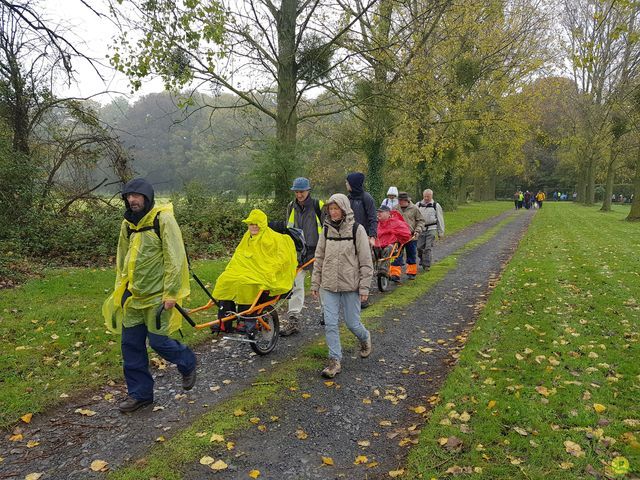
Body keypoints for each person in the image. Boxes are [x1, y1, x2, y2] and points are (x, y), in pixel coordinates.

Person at [102, 178, 196, 413]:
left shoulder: (162, 219)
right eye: (128, 196)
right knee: (130, 346)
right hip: (134, 298)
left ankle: (187, 361)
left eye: (137, 196)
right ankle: (140, 394)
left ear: (147, 197)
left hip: (158, 297)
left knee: (158, 342)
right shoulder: (127, 224)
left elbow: (174, 257)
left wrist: (171, 292)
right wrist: (121, 291)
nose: (132, 200)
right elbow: (122, 260)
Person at [311, 193, 373, 379]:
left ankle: (365, 338)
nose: (333, 212)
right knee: (330, 323)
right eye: (331, 208)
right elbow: (319, 257)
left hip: (350, 285)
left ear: (344, 209)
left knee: (352, 323)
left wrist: (364, 288)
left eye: (336, 208)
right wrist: (315, 283)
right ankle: (334, 360)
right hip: (328, 285)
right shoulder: (326, 230)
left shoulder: (357, 230)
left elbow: (365, 260)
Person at [212, 209, 297, 332]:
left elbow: (280, 259)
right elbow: (239, 255)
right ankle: (225, 321)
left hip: (263, 273)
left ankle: (246, 321)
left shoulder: (273, 238)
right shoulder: (247, 237)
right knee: (224, 280)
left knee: (245, 284)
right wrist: (232, 269)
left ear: (263, 224)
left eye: (257, 224)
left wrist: (269, 271)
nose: (254, 227)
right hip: (246, 270)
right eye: (251, 224)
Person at [281, 177, 324, 336]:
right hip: (298, 253)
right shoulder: (291, 207)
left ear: (308, 191)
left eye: (302, 191)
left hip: (317, 252)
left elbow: (327, 229)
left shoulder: (318, 205)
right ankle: (294, 320)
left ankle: (327, 315)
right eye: (297, 192)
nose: (299, 194)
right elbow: (288, 229)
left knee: (320, 285)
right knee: (296, 286)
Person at [392, 192, 425, 280]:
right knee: (396, 255)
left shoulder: (414, 208)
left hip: (411, 236)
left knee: (411, 254)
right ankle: (395, 274)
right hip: (398, 236)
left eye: (402, 200)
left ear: (407, 200)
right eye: (399, 200)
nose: (400, 202)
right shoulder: (395, 208)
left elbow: (421, 221)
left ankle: (411, 272)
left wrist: (417, 230)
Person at [375, 205, 412, 282]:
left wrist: (395, 232)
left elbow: (407, 234)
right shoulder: (375, 223)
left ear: (388, 213)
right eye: (378, 212)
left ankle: (383, 270)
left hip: (391, 246)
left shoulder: (395, 222)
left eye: (381, 212)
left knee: (389, 248)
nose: (378, 214)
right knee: (369, 249)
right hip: (378, 245)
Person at [416, 189, 445, 272]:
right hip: (421, 229)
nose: (426, 198)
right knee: (419, 247)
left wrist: (441, 232)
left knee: (428, 247)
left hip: (432, 229)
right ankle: (422, 259)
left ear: (431, 196)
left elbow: (440, 219)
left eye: (428, 196)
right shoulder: (418, 205)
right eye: (425, 196)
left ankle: (427, 265)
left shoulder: (436, 205)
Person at [346, 172, 377, 246]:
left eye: (347, 182)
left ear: (353, 183)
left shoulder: (366, 198)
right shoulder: (348, 198)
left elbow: (373, 218)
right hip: (350, 236)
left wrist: (372, 236)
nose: (346, 184)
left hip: (364, 236)